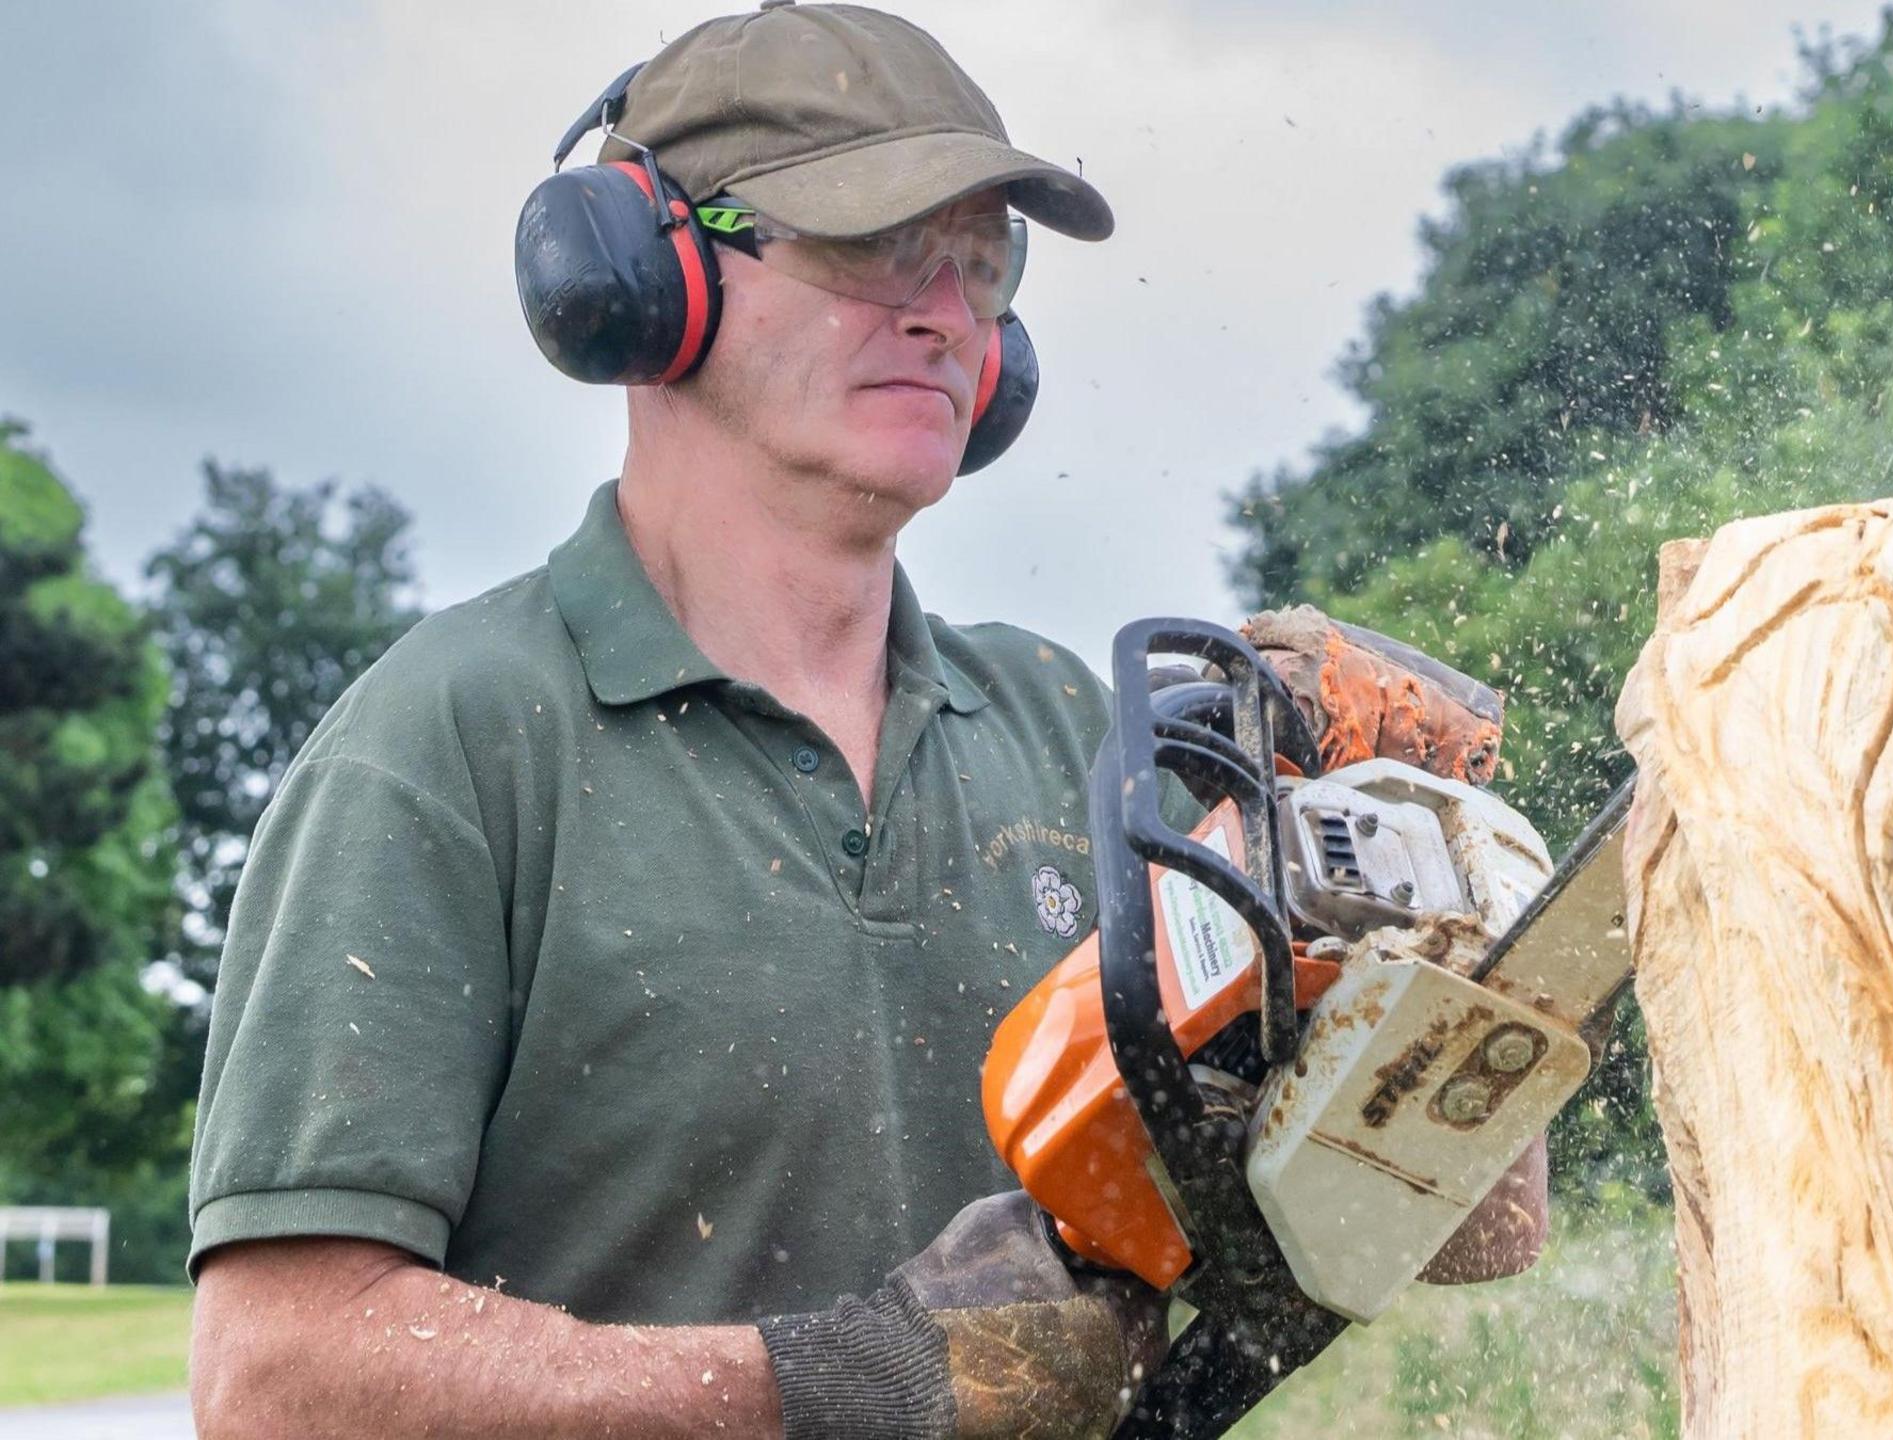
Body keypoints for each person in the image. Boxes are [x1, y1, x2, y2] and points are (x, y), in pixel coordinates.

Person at [186, 6, 1538, 1438]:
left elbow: (1466, 1228)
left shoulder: (1080, 738)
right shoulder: (455, 744)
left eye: (981, 266)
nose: (948, 314)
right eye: (878, 243)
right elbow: (275, 1375)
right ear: (641, 270)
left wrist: (1415, 906)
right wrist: (834, 1385)